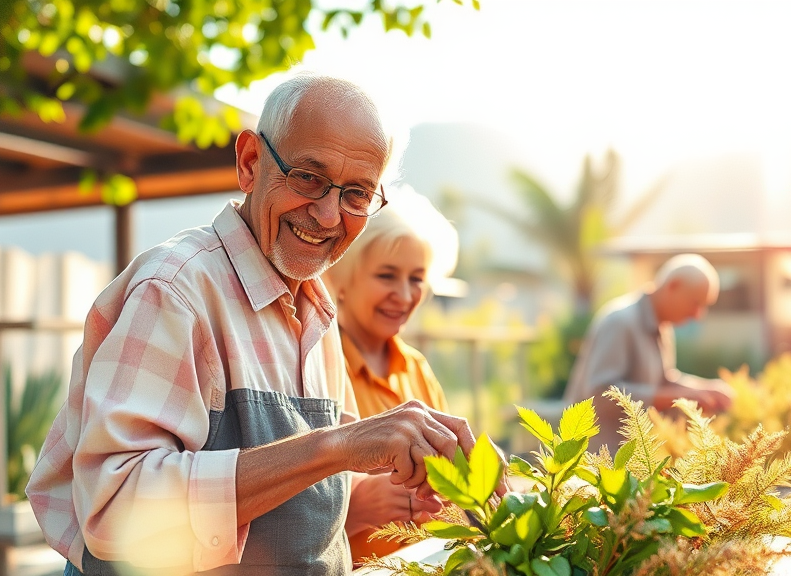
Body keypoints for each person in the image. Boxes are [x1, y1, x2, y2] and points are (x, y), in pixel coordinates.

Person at [26, 73, 494, 576]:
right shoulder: (176, 290)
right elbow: (116, 511)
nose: (329, 214)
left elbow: (315, 487)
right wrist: (337, 447)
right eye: (308, 177)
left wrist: (402, 474)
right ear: (250, 163)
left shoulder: (317, 309)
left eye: (357, 194)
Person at [321, 186, 459, 563]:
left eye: (416, 279)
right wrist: (357, 503)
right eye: (386, 275)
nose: (404, 294)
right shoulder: (316, 367)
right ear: (342, 279)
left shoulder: (416, 368)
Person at [563, 253, 733, 450]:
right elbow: (600, 394)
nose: (698, 315)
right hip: (593, 460)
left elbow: (663, 381)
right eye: (695, 303)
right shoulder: (620, 322)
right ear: (673, 286)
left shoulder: (663, 326)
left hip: (629, 460)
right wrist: (676, 398)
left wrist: (703, 389)